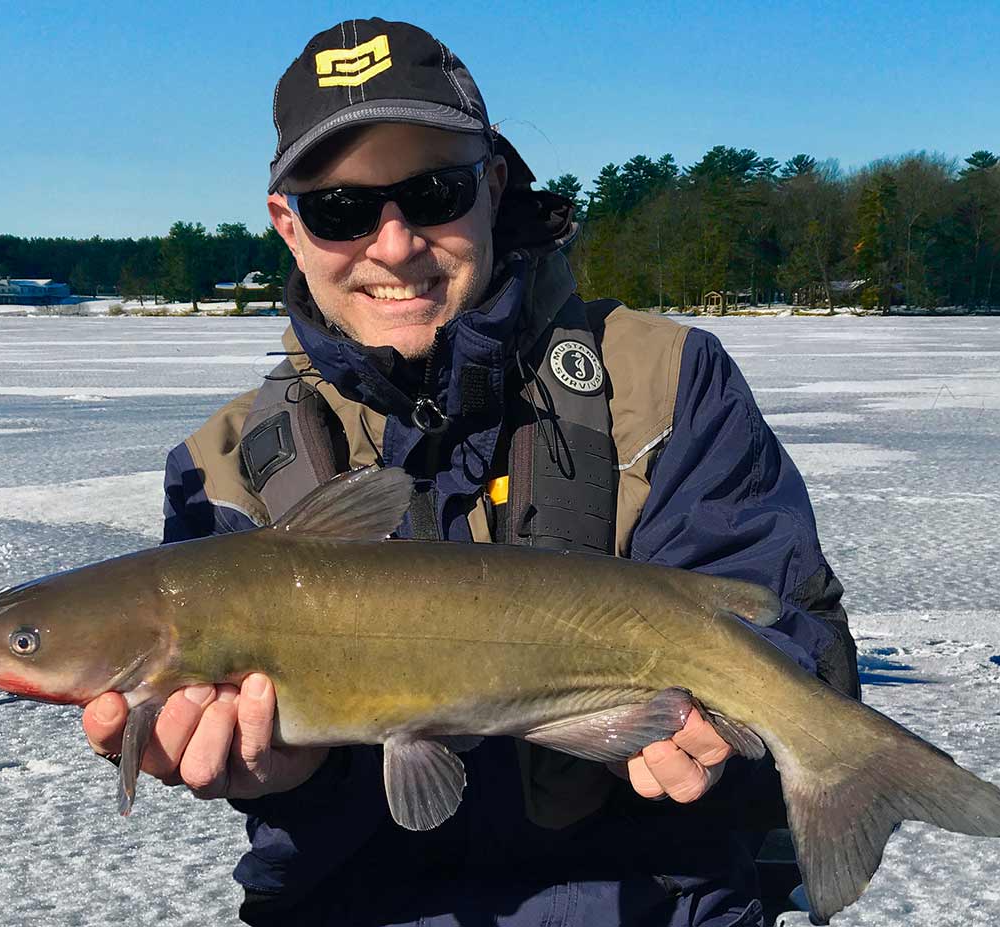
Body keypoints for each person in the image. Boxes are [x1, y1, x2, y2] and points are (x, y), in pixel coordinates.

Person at [83, 18, 857, 927]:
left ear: (492, 188)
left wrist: (729, 747)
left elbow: (798, 643)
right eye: (342, 209)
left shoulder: (667, 383)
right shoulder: (227, 472)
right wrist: (285, 778)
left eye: (435, 191)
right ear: (287, 226)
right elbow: (270, 786)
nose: (396, 242)